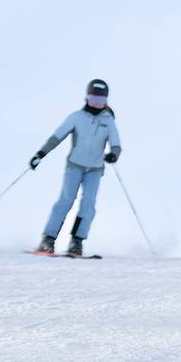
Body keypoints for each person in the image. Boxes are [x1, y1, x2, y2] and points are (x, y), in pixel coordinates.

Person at [30, 79, 121, 256]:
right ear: (86, 98)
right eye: (93, 99)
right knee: (65, 201)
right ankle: (48, 240)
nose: (97, 104)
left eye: (101, 101)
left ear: (106, 101)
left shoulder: (108, 120)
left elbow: (116, 143)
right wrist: (40, 155)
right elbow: (57, 137)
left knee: (88, 205)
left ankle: (76, 242)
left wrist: (113, 154)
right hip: (74, 167)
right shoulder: (76, 117)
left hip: (94, 169)